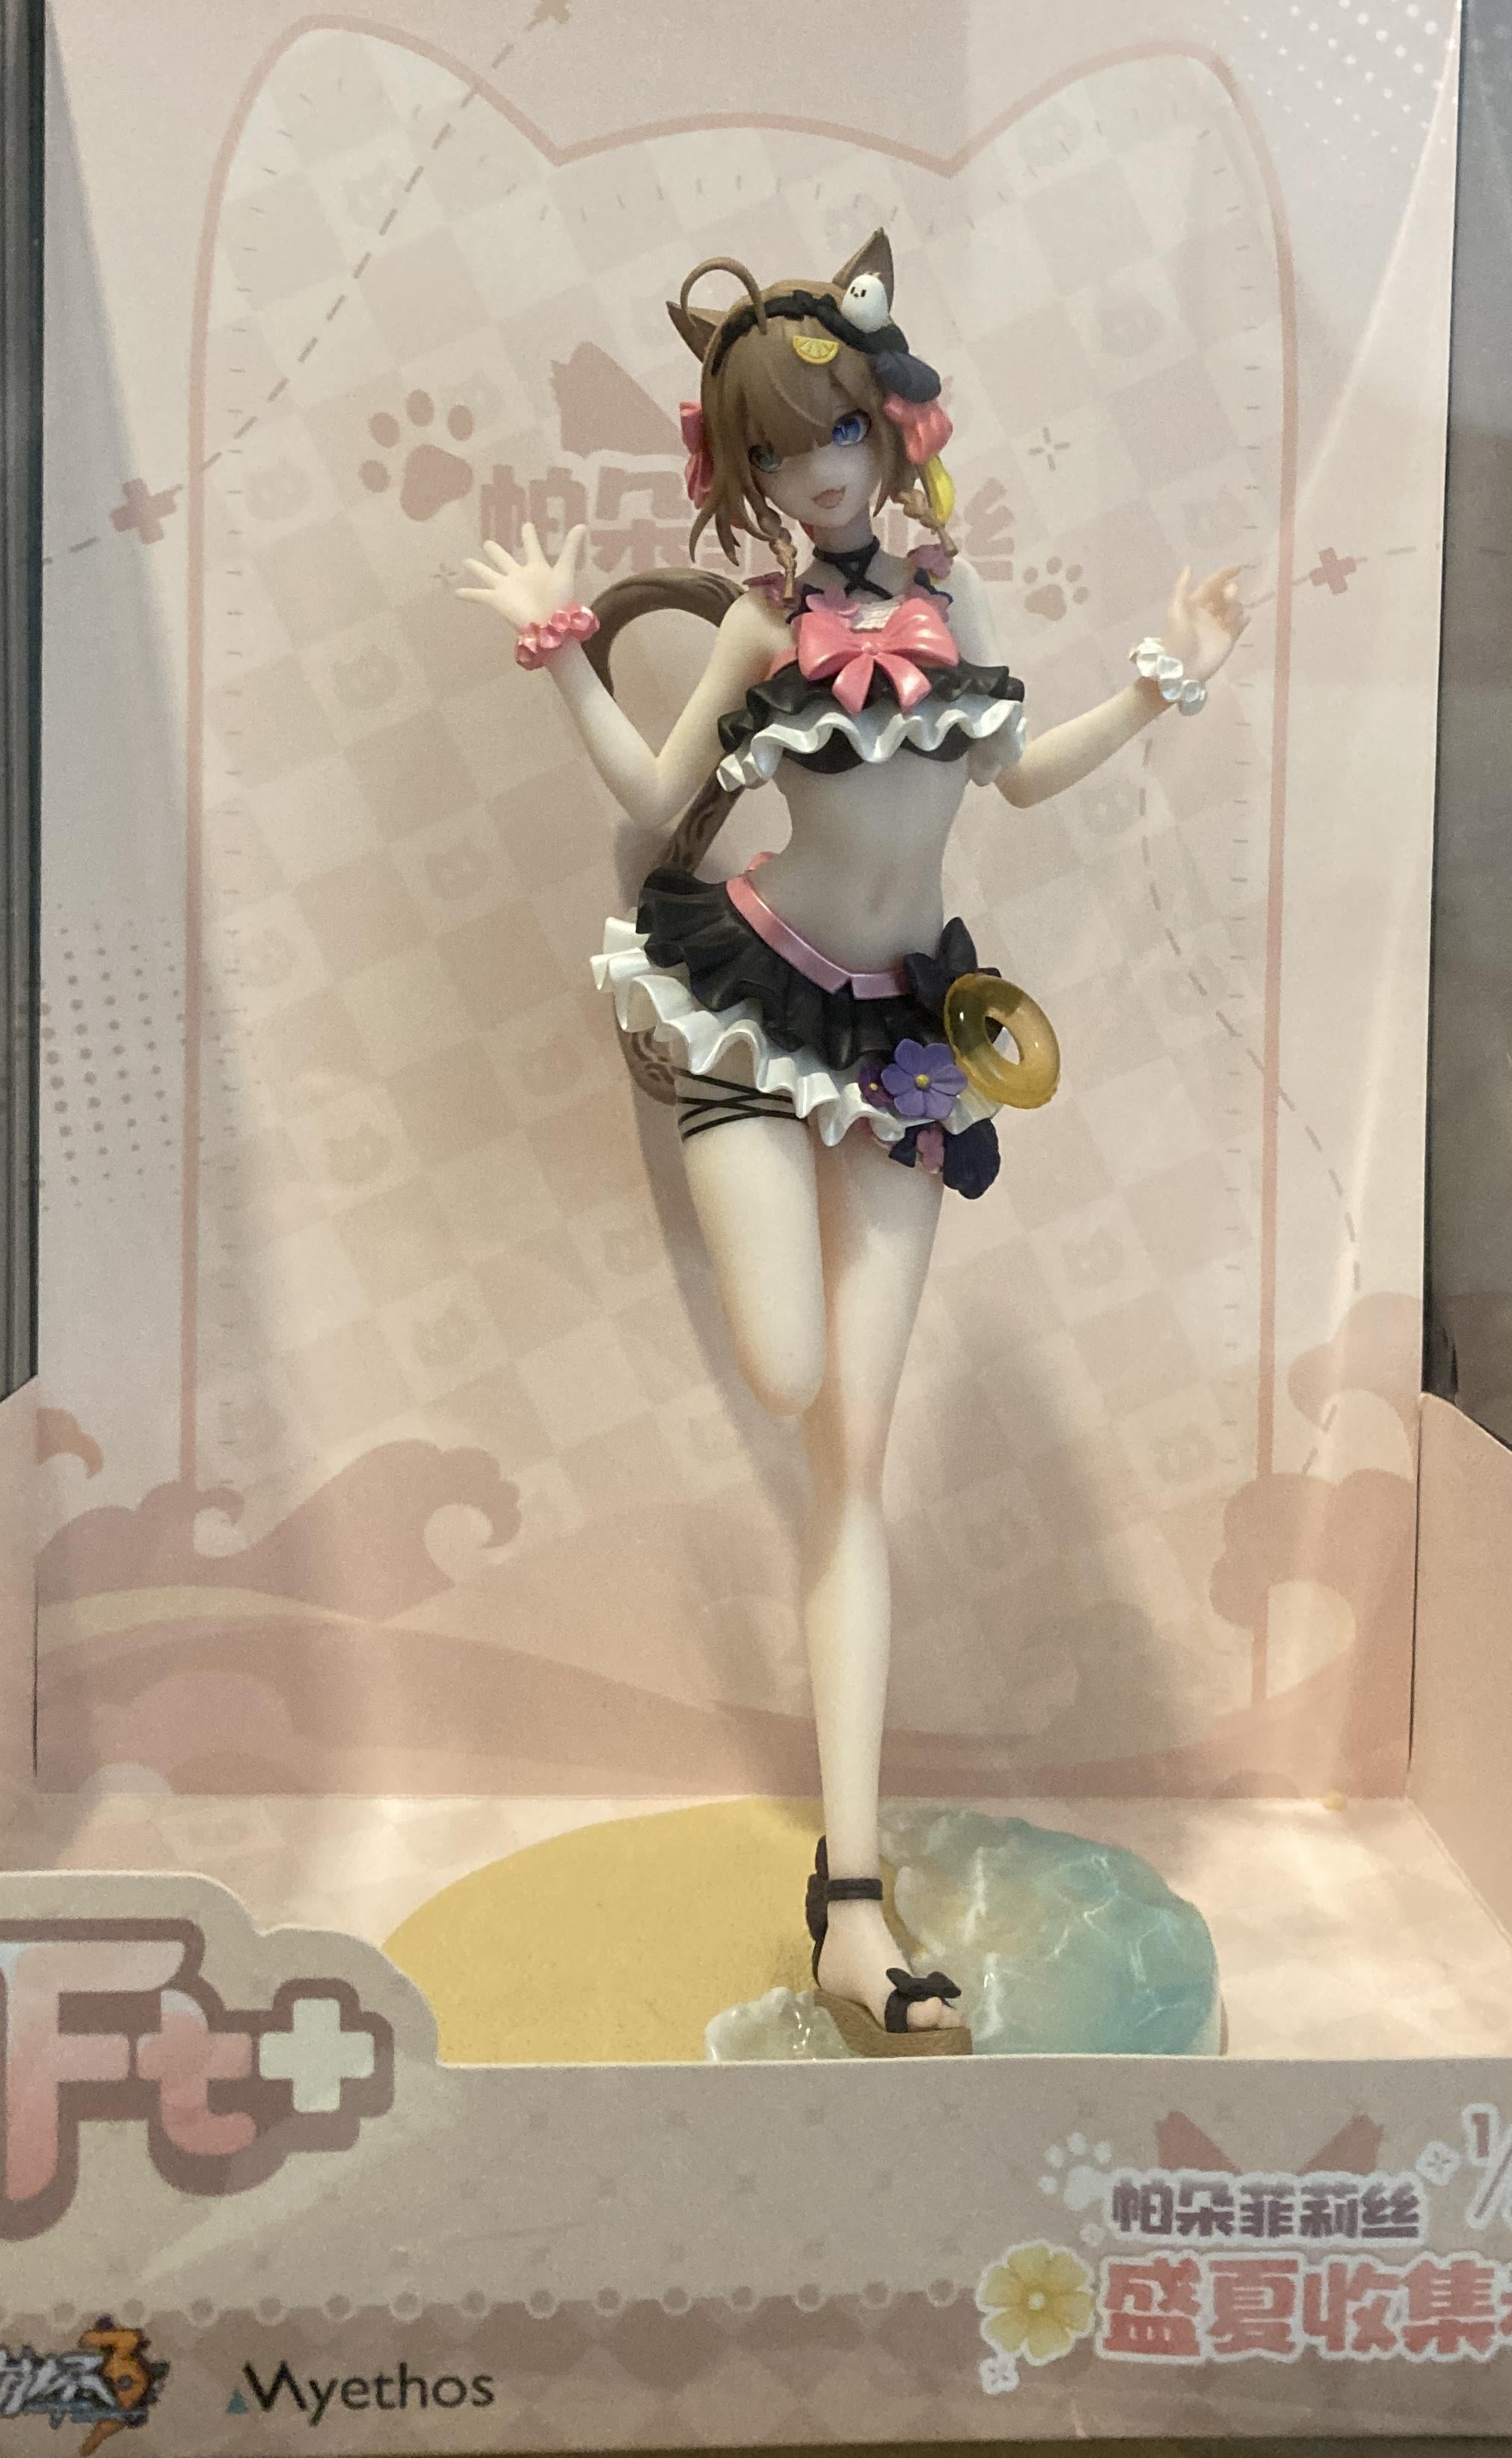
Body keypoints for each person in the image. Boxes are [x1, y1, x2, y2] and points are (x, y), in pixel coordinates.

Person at [459, 232, 1246, 2055]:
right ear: (740, 471)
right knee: (789, 1369)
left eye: (836, 436)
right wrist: (560, 645)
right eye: (776, 452)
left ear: (891, 429)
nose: (817, 475)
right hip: (757, 1007)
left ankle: (855, 1897)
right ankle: (849, 1883)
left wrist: (1168, 678)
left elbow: (1018, 775)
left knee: (855, 1466)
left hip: (905, 1043)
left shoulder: (954, 605)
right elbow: (659, 795)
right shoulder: (762, 628)